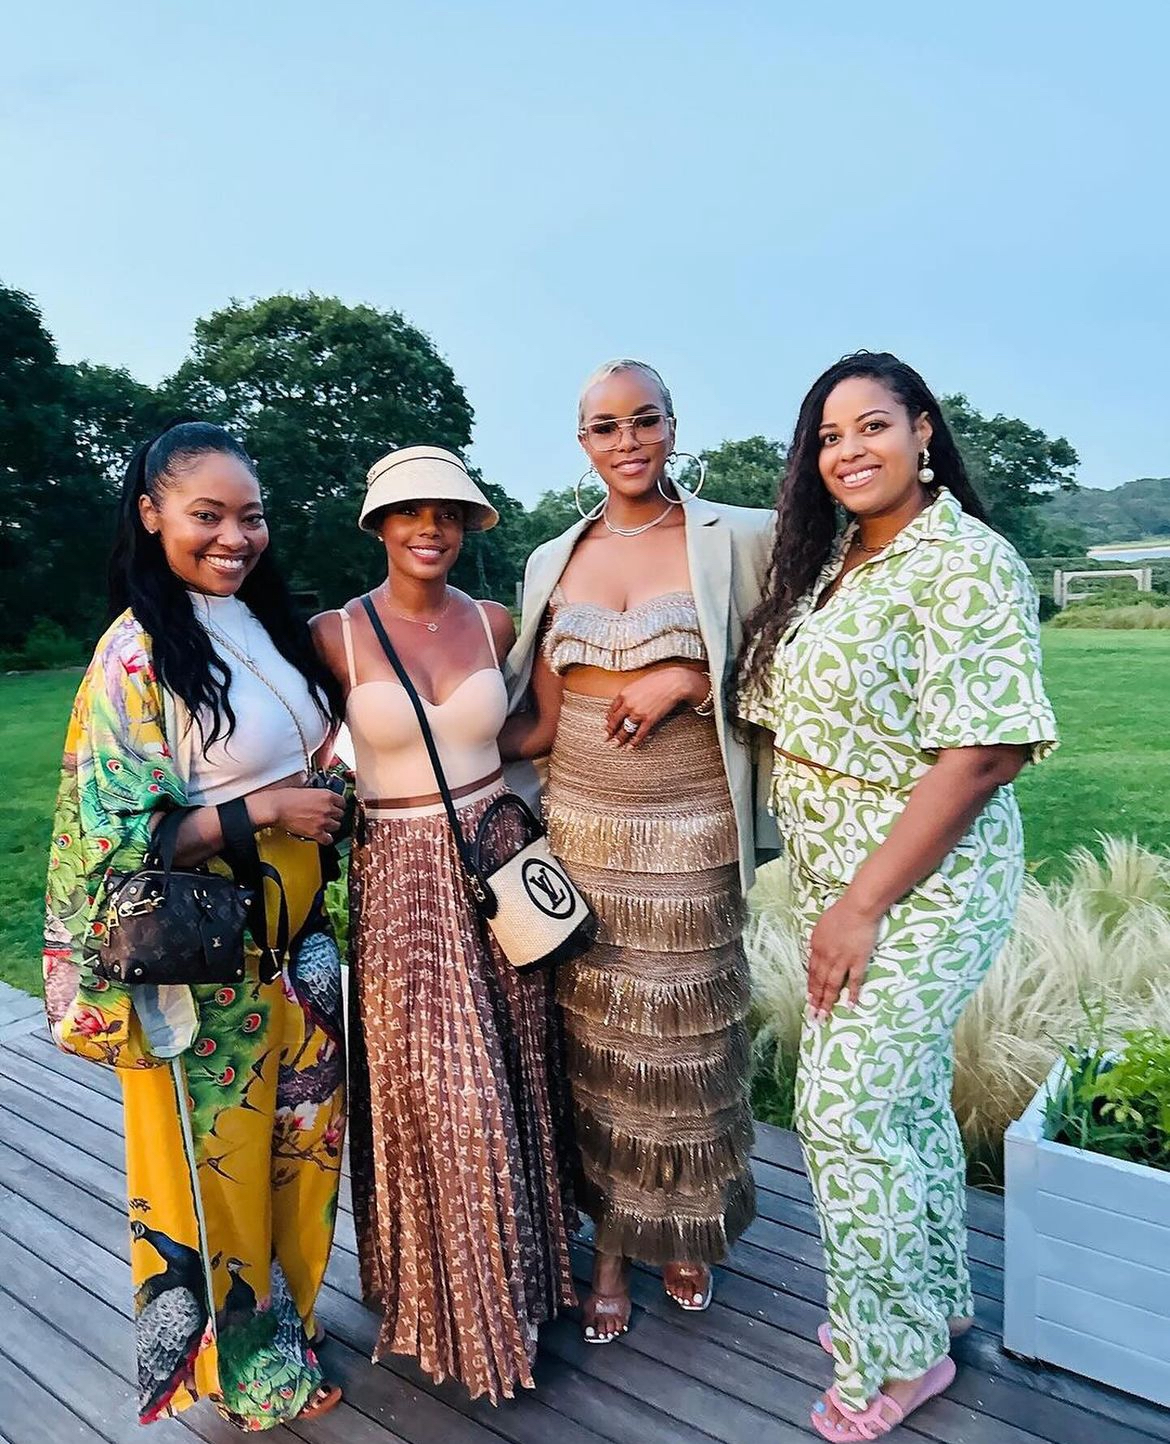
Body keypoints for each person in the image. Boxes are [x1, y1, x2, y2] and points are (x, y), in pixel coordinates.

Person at [736, 352, 1058, 1439]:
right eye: (829, 437)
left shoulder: (965, 560)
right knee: (903, 1104)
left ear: (923, 430)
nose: (849, 451)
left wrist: (861, 905)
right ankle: (931, 1301)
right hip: (847, 887)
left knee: (844, 1112)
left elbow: (984, 752)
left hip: (924, 888)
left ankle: (897, 1352)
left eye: (871, 425)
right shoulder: (837, 562)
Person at [43, 421, 349, 1429]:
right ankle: (239, 1370)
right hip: (204, 961)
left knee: (303, 1151)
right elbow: (115, 839)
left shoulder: (264, 623)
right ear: (151, 514)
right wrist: (265, 809)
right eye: (206, 515)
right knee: (215, 1171)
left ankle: (288, 1328)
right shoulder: (134, 654)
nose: (234, 537)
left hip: (300, 949)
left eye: (250, 517)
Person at [502, 360, 775, 1343]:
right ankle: (614, 1247)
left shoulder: (738, 535)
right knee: (599, 1044)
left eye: (645, 420)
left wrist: (690, 679)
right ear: (583, 442)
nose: (628, 441)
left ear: (672, 425)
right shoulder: (552, 558)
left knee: (685, 1039)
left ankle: (686, 1227)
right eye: (606, 426)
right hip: (580, 829)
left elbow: (785, 662)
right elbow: (537, 720)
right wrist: (414, 753)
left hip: (692, 826)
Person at [311, 445, 576, 1404]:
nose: (431, 528)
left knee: (517, 1072)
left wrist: (578, 674)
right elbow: (304, 748)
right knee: (440, 1092)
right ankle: (452, 1305)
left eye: (449, 514)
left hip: (494, 859)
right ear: (380, 526)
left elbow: (522, 734)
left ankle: (525, 1287)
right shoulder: (334, 634)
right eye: (412, 512)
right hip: (398, 884)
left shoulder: (496, 620)